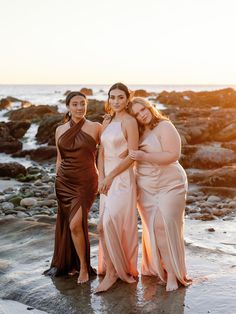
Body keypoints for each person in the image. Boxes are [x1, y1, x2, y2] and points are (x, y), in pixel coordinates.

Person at [128, 97, 191, 291]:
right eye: (137, 114)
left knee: (166, 226)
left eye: (143, 109)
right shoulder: (136, 132)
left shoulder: (164, 126)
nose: (142, 115)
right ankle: (161, 268)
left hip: (170, 183)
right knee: (154, 228)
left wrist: (144, 156)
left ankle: (173, 274)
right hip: (146, 185)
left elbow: (173, 155)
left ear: (150, 107)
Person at [44, 91, 101, 284]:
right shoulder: (60, 129)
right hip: (64, 181)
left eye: (83, 104)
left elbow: (112, 147)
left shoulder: (96, 127)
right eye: (75, 104)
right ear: (68, 106)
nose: (79, 107)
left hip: (86, 181)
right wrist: (56, 180)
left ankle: (84, 267)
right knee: (70, 224)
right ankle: (71, 264)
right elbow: (59, 158)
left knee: (76, 223)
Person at [95, 83, 139, 293]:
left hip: (122, 180)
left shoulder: (130, 122)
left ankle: (114, 274)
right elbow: (101, 152)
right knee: (102, 228)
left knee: (109, 224)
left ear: (127, 99)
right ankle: (111, 268)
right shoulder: (107, 120)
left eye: (120, 97)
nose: (116, 101)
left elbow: (132, 155)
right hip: (106, 179)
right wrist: (101, 177)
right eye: (112, 97)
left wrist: (111, 176)